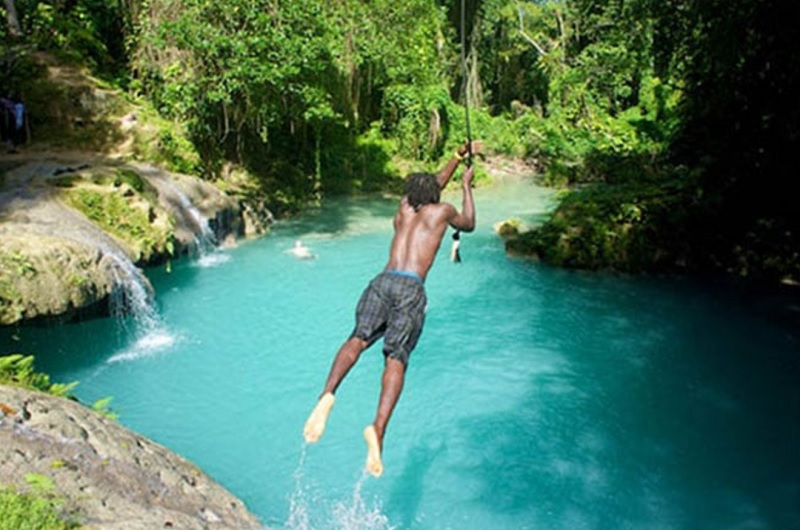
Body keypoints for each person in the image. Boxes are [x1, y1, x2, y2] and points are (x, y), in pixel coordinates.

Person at [303, 140, 482, 477]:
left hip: (382, 281)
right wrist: (466, 185)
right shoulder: (441, 212)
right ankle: (378, 431)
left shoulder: (404, 208)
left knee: (357, 339)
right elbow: (469, 222)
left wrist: (457, 157)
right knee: (396, 358)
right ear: (435, 196)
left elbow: (432, 185)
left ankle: (327, 394)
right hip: (410, 288)